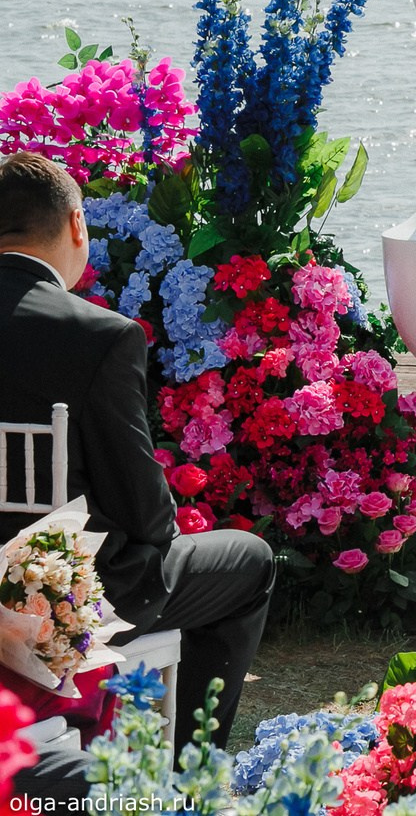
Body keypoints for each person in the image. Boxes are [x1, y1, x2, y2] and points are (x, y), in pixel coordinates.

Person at [0, 151, 273, 756]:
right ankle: (189, 767)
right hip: (62, 600)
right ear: (77, 226)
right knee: (249, 560)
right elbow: (146, 514)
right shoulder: (98, 335)